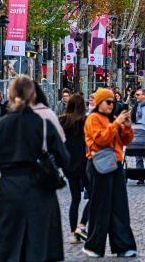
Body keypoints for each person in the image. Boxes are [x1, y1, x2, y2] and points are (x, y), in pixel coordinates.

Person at [0, 76, 70, 262]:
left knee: (8, 245)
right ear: (33, 96)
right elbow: (64, 158)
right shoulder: (43, 124)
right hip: (39, 188)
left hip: (9, 188)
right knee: (39, 245)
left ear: (10, 97)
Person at [83, 88, 137, 257]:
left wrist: (127, 127)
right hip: (99, 165)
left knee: (119, 206)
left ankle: (124, 246)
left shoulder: (113, 119)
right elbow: (100, 140)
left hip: (116, 164)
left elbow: (125, 141)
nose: (111, 105)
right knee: (101, 207)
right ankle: (94, 246)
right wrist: (116, 124)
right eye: (108, 102)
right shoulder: (93, 119)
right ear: (99, 103)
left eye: (113, 102)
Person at [60, 93, 90, 244]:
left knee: (75, 199)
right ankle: (82, 224)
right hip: (86, 163)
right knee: (94, 196)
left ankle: (73, 233)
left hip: (69, 164)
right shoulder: (87, 121)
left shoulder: (62, 121)